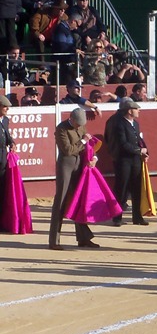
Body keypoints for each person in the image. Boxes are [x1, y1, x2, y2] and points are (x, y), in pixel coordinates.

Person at [48, 107, 99, 249]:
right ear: (71, 119)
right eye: (78, 124)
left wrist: (94, 156)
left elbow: (89, 146)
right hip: (66, 166)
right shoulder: (61, 129)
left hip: (80, 165)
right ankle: (54, 241)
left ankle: (83, 238)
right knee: (61, 201)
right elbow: (68, 150)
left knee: (80, 201)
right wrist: (82, 142)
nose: (80, 126)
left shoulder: (81, 126)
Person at [106, 98, 149, 227]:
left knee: (137, 189)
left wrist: (146, 152)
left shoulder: (135, 124)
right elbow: (123, 144)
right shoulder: (119, 124)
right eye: (136, 109)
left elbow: (139, 140)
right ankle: (117, 217)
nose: (139, 111)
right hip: (123, 160)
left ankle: (137, 217)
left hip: (135, 160)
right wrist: (139, 150)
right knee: (121, 188)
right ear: (130, 111)